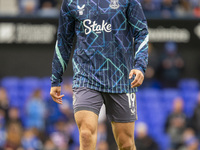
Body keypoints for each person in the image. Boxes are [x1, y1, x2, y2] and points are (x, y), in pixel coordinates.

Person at [50, 0, 149, 149]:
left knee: (126, 144)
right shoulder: (71, 2)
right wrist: (56, 79)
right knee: (85, 134)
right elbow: (63, 41)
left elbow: (141, 32)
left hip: (121, 78)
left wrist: (140, 66)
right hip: (86, 77)